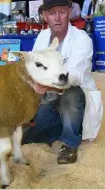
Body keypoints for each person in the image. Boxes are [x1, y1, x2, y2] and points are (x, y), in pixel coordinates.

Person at [21, 0, 103, 165]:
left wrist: (47, 84)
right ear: (45, 16)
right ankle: (60, 128)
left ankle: (70, 142)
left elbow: (75, 75)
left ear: (70, 11)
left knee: (72, 93)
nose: (57, 18)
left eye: (62, 12)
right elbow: (34, 66)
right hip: (48, 97)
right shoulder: (43, 36)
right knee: (24, 136)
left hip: (72, 98)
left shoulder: (82, 38)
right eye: (52, 13)